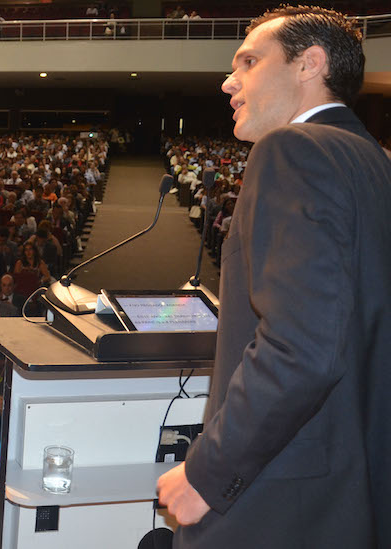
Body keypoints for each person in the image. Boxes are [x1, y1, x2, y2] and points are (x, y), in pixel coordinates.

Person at [157, 7, 391, 548]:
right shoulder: (376, 163)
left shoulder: (293, 149)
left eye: (249, 61)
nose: (228, 81)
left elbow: (301, 348)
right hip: (353, 492)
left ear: (310, 64)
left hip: (281, 501)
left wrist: (206, 474)